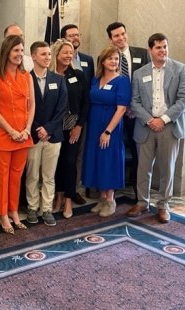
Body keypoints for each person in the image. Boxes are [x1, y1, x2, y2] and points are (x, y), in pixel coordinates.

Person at [127, 33, 185, 223]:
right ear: (150, 50)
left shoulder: (180, 69)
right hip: (146, 126)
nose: (163, 50)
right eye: (158, 48)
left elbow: (183, 99)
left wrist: (162, 119)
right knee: (143, 168)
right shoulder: (139, 73)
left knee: (167, 169)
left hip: (169, 126)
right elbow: (134, 102)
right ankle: (142, 202)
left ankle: (163, 205)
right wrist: (149, 120)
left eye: (165, 46)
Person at [0, 35, 35, 234]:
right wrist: (11, 131)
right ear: (7, 52)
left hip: (23, 136)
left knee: (16, 177)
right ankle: (3, 215)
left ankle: (14, 211)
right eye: (15, 50)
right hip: (3, 135)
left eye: (21, 50)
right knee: (2, 177)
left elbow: (32, 105)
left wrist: (26, 129)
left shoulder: (27, 76)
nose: (19, 54)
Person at [81, 46, 131, 217]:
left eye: (116, 59)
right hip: (94, 126)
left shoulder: (122, 81)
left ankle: (110, 199)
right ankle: (101, 197)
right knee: (96, 159)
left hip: (111, 127)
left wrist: (108, 131)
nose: (114, 61)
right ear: (103, 61)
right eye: (110, 58)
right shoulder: (96, 79)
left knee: (108, 160)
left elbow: (122, 109)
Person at [106, 22, 149, 201]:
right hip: (115, 113)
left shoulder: (141, 54)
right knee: (115, 151)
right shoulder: (108, 57)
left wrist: (134, 107)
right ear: (110, 39)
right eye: (116, 36)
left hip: (137, 114)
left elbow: (147, 84)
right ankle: (111, 192)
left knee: (139, 152)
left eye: (123, 34)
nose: (121, 38)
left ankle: (140, 194)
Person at [25, 41, 67, 226]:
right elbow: (23, 108)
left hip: (53, 136)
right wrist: (37, 128)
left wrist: (48, 129)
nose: (47, 57)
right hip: (32, 135)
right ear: (33, 56)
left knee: (49, 175)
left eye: (49, 54)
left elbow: (62, 108)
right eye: (43, 54)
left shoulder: (58, 80)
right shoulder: (25, 79)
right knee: (32, 175)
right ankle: (32, 208)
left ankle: (47, 209)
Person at [51, 39, 89, 218]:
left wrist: (79, 125)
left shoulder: (78, 75)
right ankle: (57, 197)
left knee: (69, 162)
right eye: (65, 52)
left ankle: (68, 199)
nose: (68, 55)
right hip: (54, 126)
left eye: (71, 52)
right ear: (56, 54)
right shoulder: (50, 75)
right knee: (56, 163)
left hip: (73, 125)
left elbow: (86, 103)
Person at [60, 24, 94, 204]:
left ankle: (73, 191)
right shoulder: (55, 67)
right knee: (62, 159)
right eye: (71, 35)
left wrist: (80, 121)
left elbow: (88, 91)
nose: (75, 37)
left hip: (80, 116)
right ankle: (61, 193)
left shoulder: (88, 60)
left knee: (76, 157)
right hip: (60, 121)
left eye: (77, 34)